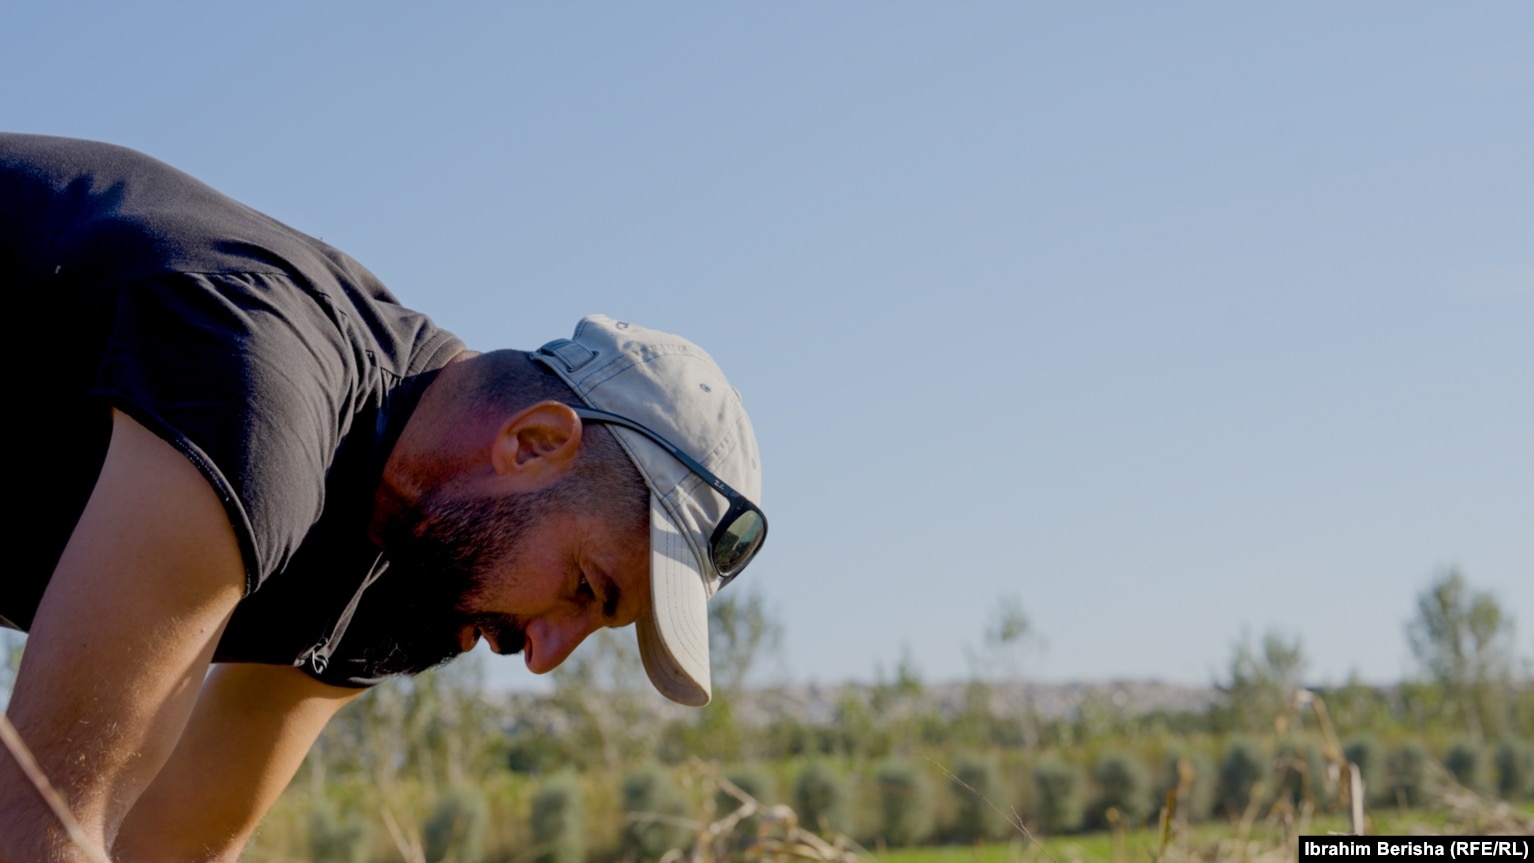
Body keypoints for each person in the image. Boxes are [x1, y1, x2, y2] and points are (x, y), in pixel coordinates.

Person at [0, 133, 767, 862]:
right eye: (582, 588)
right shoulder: (257, 397)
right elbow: (42, 818)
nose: (544, 656)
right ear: (533, 443)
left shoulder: (412, 578)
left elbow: (171, 842)